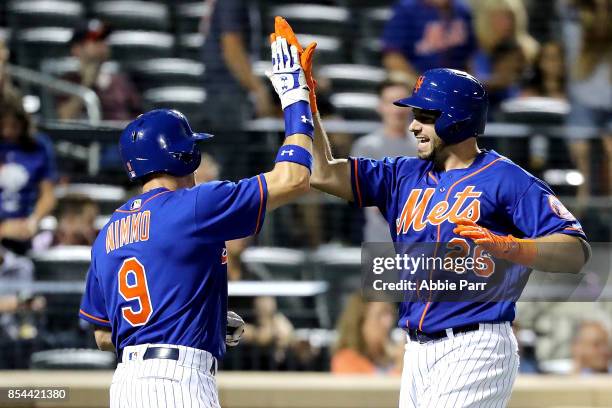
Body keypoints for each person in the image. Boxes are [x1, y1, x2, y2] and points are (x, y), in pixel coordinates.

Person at [278, 19, 590, 405]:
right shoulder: (401, 174)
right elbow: (323, 172)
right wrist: (302, 102)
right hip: (416, 349)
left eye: (425, 116)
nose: (413, 125)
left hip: (476, 343)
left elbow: (575, 252)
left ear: (457, 118)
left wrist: (513, 248)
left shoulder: (507, 179)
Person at [78, 20, 316, 407]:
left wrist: (198, 319)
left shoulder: (109, 230)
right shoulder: (193, 205)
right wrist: (296, 99)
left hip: (125, 385)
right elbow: (294, 179)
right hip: (178, 382)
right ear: (183, 155)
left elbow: (103, 335)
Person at [351, 77, 417, 242]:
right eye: (391, 102)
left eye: (403, 103)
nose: (397, 110)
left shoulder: (425, 145)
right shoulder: (366, 147)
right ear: (380, 107)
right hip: (381, 242)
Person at [561, 0, 612, 198]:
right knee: (582, 153)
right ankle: (584, 207)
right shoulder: (575, 26)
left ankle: (608, 210)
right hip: (583, 105)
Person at [0, 96, 57, 254]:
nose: (7, 132)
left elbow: (48, 195)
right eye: (2, 125)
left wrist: (33, 221)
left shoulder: (38, 146)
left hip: (25, 227)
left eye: (14, 126)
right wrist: (2, 228)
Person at [57, 19, 141, 121]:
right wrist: (87, 83)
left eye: (104, 39)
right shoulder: (66, 83)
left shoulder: (121, 81)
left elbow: (138, 118)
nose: (103, 44)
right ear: (76, 49)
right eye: (96, 39)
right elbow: (64, 118)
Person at [382, 0, 477, 85]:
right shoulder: (406, 9)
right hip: (417, 83)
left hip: (455, 86)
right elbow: (392, 58)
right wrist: (421, 86)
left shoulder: (462, 10)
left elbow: (471, 56)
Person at [332, 293, 400, 375]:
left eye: (391, 314)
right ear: (360, 322)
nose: (389, 322)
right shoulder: (345, 360)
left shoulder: (392, 356)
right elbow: (376, 387)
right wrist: (400, 364)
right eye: (381, 315)